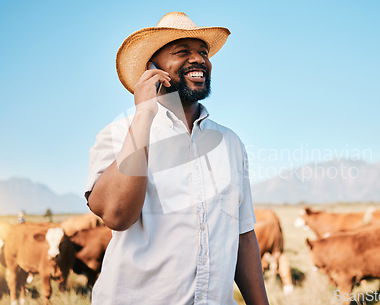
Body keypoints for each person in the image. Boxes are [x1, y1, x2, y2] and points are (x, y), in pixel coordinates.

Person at [85, 12, 269, 305]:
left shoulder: (230, 143)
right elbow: (117, 215)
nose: (198, 59)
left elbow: (244, 237)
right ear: (152, 69)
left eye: (203, 53)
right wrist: (144, 113)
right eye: (182, 52)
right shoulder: (119, 133)